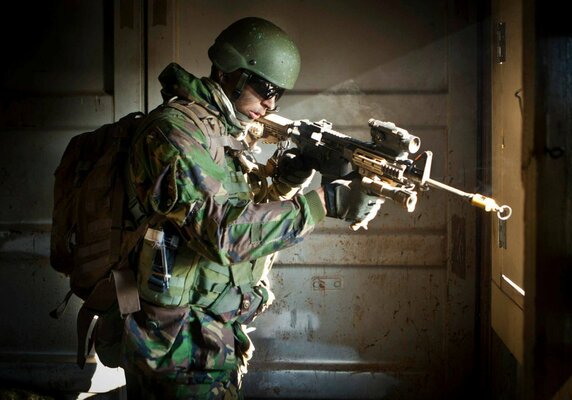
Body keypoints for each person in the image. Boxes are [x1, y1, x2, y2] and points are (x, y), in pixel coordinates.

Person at [120, 16, 382, 399]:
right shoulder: (176, 132)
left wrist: (289, 178)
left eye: (280, 94)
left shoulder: (219, 129)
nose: (271, 103)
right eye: (265, 88)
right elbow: (221, 234)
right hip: (176, 346)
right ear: (231, 72)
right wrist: (325, 202)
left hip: (210, 334)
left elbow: (240, 208)